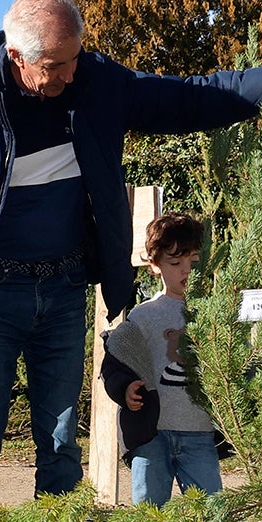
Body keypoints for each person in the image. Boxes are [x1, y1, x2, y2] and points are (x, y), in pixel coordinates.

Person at [0, 0, 262, 519]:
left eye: (74, 59)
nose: (69, 75)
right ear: (17, 58)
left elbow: (187, 96)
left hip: (61, 292)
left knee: (60, 446)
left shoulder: (97, 85)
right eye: (55, 66)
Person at [100, 212, 226, 504]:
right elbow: (115, 364)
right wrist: (125, 389)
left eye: (193, 262)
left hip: (200, 433)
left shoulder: (214, 312)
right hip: (151, 435)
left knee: (212, 515)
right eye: (175, 263)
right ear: (155, 265)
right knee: (148, 514)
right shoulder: (143, 316)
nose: (186, 271)